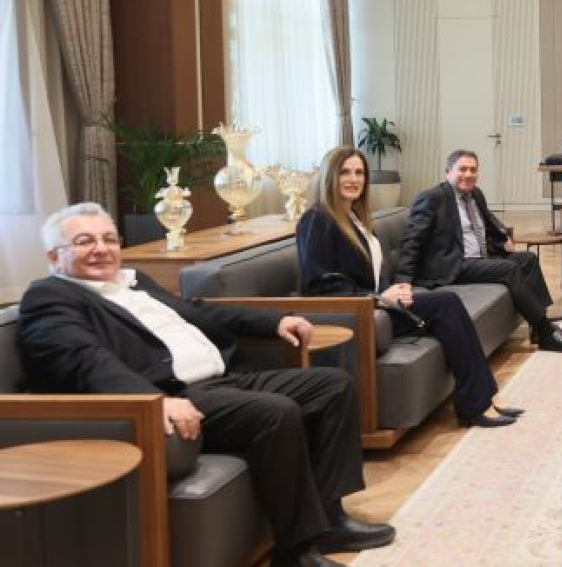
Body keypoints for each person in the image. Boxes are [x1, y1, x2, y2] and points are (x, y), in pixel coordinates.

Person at [18, 203, 394, 567]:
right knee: (276, 412)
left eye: (109, 239)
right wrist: (153, 400)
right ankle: (296, 552)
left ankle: (330, 519)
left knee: (333, 385)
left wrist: (275, 322)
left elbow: (200, 311)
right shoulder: (50, 297)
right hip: (176, 395)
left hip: (226, 379)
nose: (102, 249)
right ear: (53, 256)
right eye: (85, 242)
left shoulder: (135, 282)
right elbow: (84, 360)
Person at [297, 146, 520, 428]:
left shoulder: (354, 216)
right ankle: (476, 404)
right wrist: (378, 297)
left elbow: (373, 272)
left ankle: (483, 399)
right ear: (330, 176)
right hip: (359, 313)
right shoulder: (316, 219)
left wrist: (394, 290)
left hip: (378, 303)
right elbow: (319, 283)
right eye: (345, 172)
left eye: (359, 173)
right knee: (446, 303)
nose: (354, 179)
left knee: (449, 305)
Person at [396, 150, 562, 352]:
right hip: (453, 265)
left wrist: (503, 238)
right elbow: (412, 240)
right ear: (447, 172)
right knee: (509, 269)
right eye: (462, 169)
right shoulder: (432, 198)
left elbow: (490, 222)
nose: (468, 174)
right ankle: (546, 333)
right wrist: (403, 280)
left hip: (479, 259)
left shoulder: (475, 194)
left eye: (473, 170)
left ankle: (539, 326)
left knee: (527, 259)